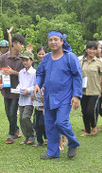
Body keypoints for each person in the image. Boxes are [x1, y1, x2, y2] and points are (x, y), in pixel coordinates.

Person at [34, 30, 82, 160]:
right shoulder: (47, 57)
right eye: (50, 40)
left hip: (65, 97)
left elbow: (77, 76)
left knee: (61, 122)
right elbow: (40, 73)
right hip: (49, 98)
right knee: (49, 125)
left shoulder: (70, 57)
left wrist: (76, 95)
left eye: (56, 39)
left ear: (62, 41)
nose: (53, 42)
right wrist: (37, 84)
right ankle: (53, 152)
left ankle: (73, 142)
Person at [0, 30, 25, 144]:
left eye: (23, 44)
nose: (22, 46)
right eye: (20, 44)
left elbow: (25, 74)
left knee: (13, 112)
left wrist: (13, 72)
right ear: (14, 44)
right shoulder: (3, 58)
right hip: (5, 90)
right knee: (8, 113)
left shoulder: (22, 59)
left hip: (16, 90)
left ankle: (11, 135)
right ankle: (16, 129)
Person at [79, 41, 102, 137]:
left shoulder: (99, 62)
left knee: (90, 111)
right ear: (86, 50)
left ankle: (94, 126)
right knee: (84, 112)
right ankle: (87, 130)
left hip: (94, 90)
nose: (92, 51)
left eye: (94, 49)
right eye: (90, 49)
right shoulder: (81, 62)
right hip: (83, 90)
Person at [16, 51, 36, 145]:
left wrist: (28, 90)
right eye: (23, 60)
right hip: (21, 99)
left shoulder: (34, 73)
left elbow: (35, 86)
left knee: (25, 117)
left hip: (30, 99)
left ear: (31, 60)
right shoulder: (21, 72)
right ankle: (27, 137)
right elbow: (20, 84)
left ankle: (32, 134)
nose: (25, 62)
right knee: (21, 119)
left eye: (27, 60)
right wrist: (17, 89)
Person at [32, 46, 47, 147]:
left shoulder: (49, 64)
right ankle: (39, 140)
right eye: (39, 54)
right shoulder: (35, 65)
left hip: (46, 94)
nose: (41, 56)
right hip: (37, 93)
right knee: (36, 121)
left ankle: (46, 138)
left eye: (43, 54)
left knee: (43, 121)